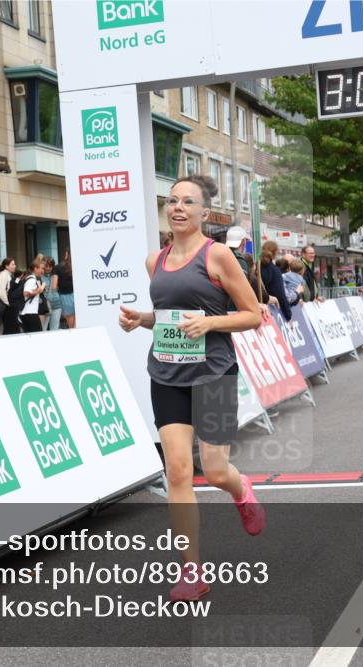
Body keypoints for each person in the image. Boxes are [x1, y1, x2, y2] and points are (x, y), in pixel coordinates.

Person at [118, 174, 264, 603]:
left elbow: (253, 314)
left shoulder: (217, 255)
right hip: (166, 374)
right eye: (172, 200)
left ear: (204, 212)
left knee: (215, 470)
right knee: (179, 472)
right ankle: (191, 571)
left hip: (214, 373)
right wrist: (140, 320)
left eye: (188, 202)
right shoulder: (154, 261)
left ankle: (241, 490)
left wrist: (210, 322)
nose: (178, 207)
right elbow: (168, 316)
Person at [259, 240, 291, 320]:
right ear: (275, 253)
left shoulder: (256, 267)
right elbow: (280, 295)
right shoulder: (274, 270)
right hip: (270, 313)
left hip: (257, 309)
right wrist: (288, 315)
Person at [20, 257, 46, 332]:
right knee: (37, 336)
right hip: (30, 313)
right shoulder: (31, 280)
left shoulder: (33, 279)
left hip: (28, 313)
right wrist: (40, 289)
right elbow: (26, 293)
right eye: (42, 268)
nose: (43, 271)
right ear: (35, 268)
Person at [52, 250, 75, 329]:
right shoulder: (78, 265)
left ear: (66, 254)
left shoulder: (58, 267)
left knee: (71, 326)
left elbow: (54, 286)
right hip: (79, 295)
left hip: (65, 296)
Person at [0, 257, 19, 335]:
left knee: (11, 330)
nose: (15, 266)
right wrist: (8, 303)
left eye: (15, 264)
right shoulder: (3, 275)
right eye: (12, 264)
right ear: (6, 266)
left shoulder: (8, 275)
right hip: (7, 308)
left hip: (9, 307)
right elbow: (0, 292)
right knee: (12, 330)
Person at [44, 257, 63, 331]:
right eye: (46, 266)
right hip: (45, 306)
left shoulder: (57, 275)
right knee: (43, 329)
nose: (48, 268)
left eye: (50, 266)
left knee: (54, 329)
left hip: (57, 304)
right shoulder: (40, 276)